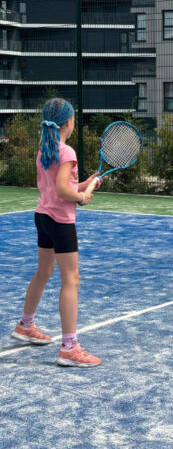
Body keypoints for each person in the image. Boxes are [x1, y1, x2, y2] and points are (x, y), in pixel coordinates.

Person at [11, 98, 102, 367]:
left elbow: (56, 185)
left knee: (44, 271)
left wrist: (84, 184)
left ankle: (25, 325)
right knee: (71, 279)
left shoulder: (45, 149)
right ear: (68, 122)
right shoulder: (67, 152)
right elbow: (63, 191)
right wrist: (82, 197)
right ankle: (69, 348)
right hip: (60, 222)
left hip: (43, 217)